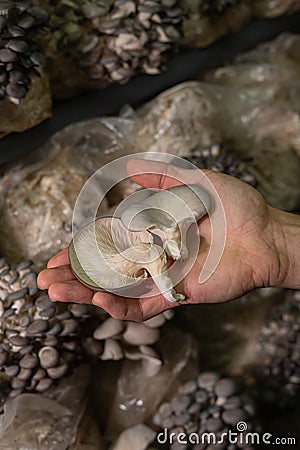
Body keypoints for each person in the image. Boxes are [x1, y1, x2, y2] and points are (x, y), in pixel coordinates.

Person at [37, 159, 300, 322]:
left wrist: (274, 240)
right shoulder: (135, 228)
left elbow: (155, 246)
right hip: (109, 259)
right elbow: (151, 253)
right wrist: (165, 284)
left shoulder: (137, 229)